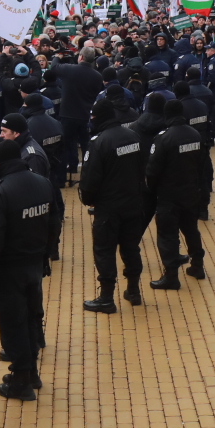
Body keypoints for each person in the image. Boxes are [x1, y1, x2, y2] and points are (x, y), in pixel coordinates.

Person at [0, 140, 52, 401]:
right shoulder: (42, 183)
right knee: (31, 318)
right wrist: (46, 256)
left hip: (9, 269)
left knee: (13, 323)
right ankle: (31, 371)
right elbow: (54, 223)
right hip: (35, 263)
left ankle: (20, 381)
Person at [77, 98, 148, 312]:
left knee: (104, 250)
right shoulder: (133, 135)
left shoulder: (99, 142)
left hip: (108, 208)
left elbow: (90, 179)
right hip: (134, 203)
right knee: (131, 248)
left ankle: (107, 298)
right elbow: (142, 166)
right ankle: (133, 290)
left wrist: (87, 199)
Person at [145, 99, 211, 289]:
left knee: (168, 235)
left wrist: (152, 190)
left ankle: (171, 276)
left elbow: (152, 170)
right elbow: (202, 164)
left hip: (169, 195)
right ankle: (197, 265)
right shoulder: (195, 135)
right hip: (191, 192)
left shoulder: (163, 138)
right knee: (191, 229)